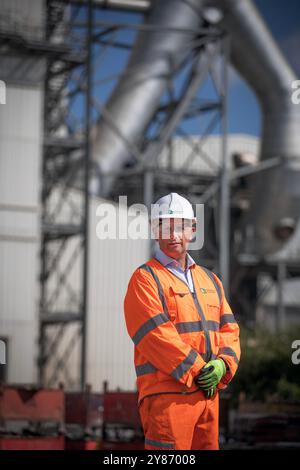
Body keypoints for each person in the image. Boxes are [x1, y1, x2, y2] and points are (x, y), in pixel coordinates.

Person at [124, 192, 240, 450]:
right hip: (168, 398)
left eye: (180, 227)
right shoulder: (145, 279)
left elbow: (230, 330)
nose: (173, 235)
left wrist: (224, 365)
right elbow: (155, 335)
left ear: (193, 230)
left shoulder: (210, 281)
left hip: (208, 398)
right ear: (155, 230)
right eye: (165, 227)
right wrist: (199, 370)